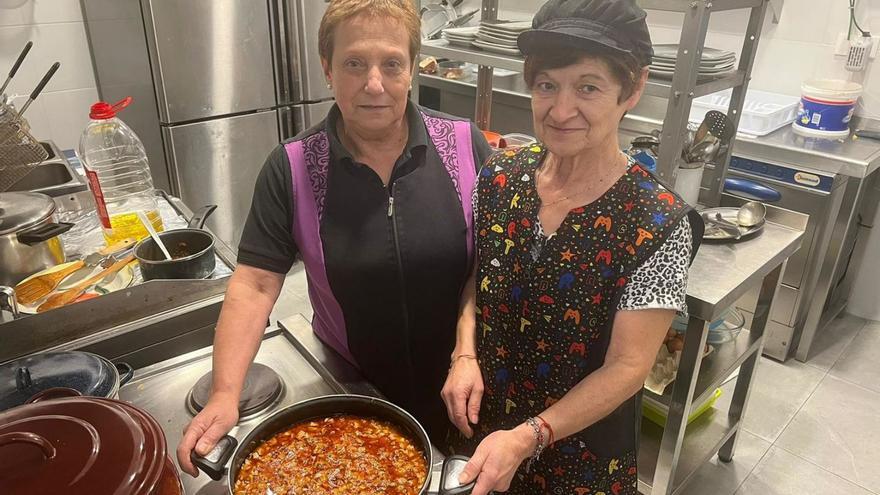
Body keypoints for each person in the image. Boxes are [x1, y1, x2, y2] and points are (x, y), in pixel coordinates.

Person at [176, 0, 492, 477]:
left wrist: (467, 353)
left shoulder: (465, 145)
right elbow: (255, 285)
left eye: (391, 64)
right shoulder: (293, 168)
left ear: (412, 69)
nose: (374, 84)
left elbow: (485, 265)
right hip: (354, 391)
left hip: (465, 384)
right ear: (327, 68)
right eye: (354, 64)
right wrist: (224, 393)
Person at [441, 0, 704, 493]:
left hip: (580, 458)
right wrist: (464, 353)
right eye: (547, 86)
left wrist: (527, 438)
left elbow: (629, 367)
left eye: (588, 87)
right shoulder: (500, 177)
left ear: (634, 87)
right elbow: (482, 278)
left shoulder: (659, 222)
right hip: (485, 431)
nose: (561, 111)